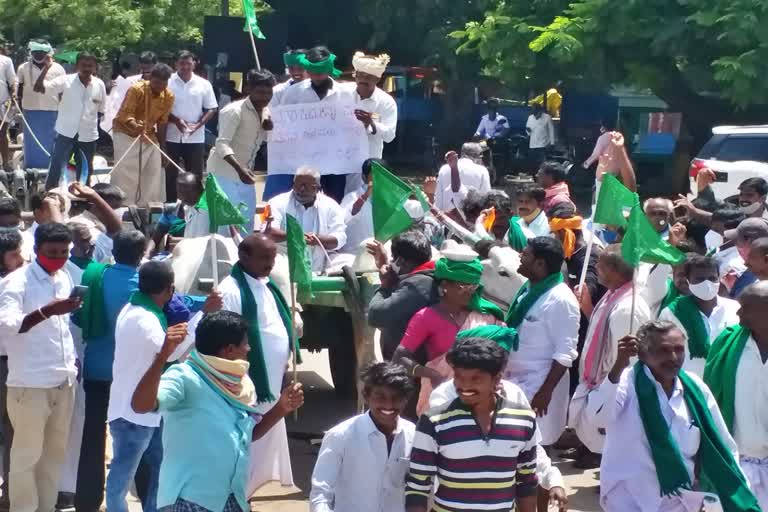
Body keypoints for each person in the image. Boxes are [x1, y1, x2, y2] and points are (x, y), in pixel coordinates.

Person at [129, 310, 303, 512]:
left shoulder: (242, 384)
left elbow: (248, 435)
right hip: (188, 501)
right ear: (229, 350)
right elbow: (140, 405)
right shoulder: (184, 377)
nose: (249, 348)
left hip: (232, 497)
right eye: (245, 343)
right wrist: (162, 359)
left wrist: (282, 408)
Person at [598, 321, 758, 511]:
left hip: (681, 500)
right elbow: (599, 418)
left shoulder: (695, 388)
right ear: (642, 354)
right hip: (628, 498)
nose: (673, 357)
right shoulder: (625, 383)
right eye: (663, 350)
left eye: (679, 349)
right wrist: (617, 367)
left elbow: (722, 445)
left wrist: (738, 487)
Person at [0, 222, 81, 512]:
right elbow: (6, 326)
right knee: (26, 458)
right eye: (52, 252)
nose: (58, 257)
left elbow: (62, 329)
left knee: (53, 456)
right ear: (36, 251)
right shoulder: (16, 282)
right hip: (30, 384)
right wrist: (47, 311)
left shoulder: (64, 277)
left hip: (63, 380)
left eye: (64, 252)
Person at [405, 337, 539, 512]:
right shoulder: (433, 421)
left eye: (476, 379)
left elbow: (527, 481)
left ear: (496, 380)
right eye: (459, 377)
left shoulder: (524, 419)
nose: (465, 386)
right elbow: (417, 486)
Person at [105, 261, 195, 512]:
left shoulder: (134, 308)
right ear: (169, 289)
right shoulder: (145, 319)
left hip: (146, 411)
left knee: (160, 469)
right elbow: (169, 353)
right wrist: (196, 324)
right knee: (120, 479)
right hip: (132, 415)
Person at [216, 233, 300, 494]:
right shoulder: (230, 290)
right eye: (264, 257)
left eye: (273, 257)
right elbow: (226, 341)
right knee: (246, 441)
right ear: (244, 257)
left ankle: (245, 493)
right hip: (248, 384)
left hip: (271, 383)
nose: (270, 263)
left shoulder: (266, 285)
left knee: (260, 442)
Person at [71, 230, 144, 512]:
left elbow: (78, 316)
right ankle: (145, 496)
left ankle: (87, 502)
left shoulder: (92, 276)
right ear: (140, 255)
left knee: (92, 438)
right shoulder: (144, 284)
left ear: (113, 250)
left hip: (96, 371)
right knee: (139, 438)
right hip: (133, 377)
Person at [392, 247, 506, 415]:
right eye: (462, 286)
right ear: (445, 284)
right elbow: (400, 357)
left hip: (482, 395)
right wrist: (432, 375)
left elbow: (502, 350)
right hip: (443, 396)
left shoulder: (487, 315)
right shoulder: (426, 317)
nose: (469, 291)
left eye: (473, 286)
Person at [569, 245, 650, 463]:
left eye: (600, 265)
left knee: (617, 445)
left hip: (612, 391)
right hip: (598, 387)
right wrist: (586, 306)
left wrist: (611, 394)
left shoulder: (627, 308)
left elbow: (627, 361)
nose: (596, 267)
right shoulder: (612, 298)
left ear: (614, 270)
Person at [504, 236, 579, 446]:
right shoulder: (528, 290)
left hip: (539, 388)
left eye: (526, 254)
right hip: (515, 382)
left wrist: (544, 393)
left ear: (540, 263)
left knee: (536, 448)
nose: (520, 256)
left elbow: (565, 354)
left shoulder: (560, 299)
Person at [310, 362, 415, 512]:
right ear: (366, 396)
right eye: (380, 396)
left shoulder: (414, 435)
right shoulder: (341, 436)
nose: (388, 404)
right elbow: (321, 493)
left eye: (396, 397)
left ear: (406, 399)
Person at [705, 282, 768, 509]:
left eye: (746, 308)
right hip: (736, 465)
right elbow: (709, 400)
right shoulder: (728, 343)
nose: (738, 312)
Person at [272, 46, 351, 202]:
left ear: (329, 69)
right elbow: (283, 123)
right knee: (302, 199)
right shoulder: (293, 93)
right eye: (313, 72)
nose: (317, 77)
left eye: (320, 72)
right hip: (303, 161)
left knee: (334, 199)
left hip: (335, 161)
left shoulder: (346, 94)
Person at [207, 68, 275, 232]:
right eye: (260, 92)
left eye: (268, 93)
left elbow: (261, 140)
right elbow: (222, 144)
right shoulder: (233, 111)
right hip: (224, 175)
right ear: (248, 90)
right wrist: (240, 169)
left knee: (246, 222)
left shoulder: (266, 111)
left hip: (245, 176)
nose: (264, 97)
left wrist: (269, 128)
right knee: (226, 225)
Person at [658, 255, 739, 377]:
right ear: (688, 281)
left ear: (719, 279)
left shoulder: (735, 308)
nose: (707, 283)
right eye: (699, 279)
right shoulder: (672, 313)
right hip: (690, 382)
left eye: (712, 278)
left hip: (728, 380)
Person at [34, 52, 106, 189]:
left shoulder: (100, 84)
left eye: (90, 66)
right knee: (56, 167)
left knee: (85, 171)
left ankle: (82, 199)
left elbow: (101, 110)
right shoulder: (65, 80)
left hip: (88, 135)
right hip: (65, 132)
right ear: (77, 66)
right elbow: (39, 88)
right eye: (83, 65)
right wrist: (46, 68)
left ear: (95, 67)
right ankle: (50, 195)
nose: (86, 68)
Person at [367, 230, 438, 360]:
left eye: (394, 259)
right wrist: (385, 264)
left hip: (411, 367)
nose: (392, 262)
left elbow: (375, 315)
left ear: (402, 262)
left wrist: (385, 285)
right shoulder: (427, 276)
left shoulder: (417, 285)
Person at [111, 63, 174, 206]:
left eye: (163, 84)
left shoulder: (169, 95)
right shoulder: (136, 89)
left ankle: (148, 206)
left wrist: (163, 148)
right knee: (126, 173)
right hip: (125, 133)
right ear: (150, 78)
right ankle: (124, 206)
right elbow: (124, 115)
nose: (160, 87)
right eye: (157, 83)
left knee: (153, 171)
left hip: (149, 136)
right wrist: (136, 126)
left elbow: (163, 122)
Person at [266, 166, 347, 273]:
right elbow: (269, 232)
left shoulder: (331, 206)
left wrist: (317, 240)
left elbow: (340, 238)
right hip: (285, 266)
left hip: (319, 266)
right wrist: (297, 236)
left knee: (348, 262)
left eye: (306, 186)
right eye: (298, 185)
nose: (301, 189)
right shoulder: (277, 202)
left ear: (317, 188)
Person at [165, 51, 218, 200]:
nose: (185, 67)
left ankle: (196, 207)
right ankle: (171, 207)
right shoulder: (168, 82)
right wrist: (176, 121)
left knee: (195, 175)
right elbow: (161, 107)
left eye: (188, 63)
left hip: (195, 137)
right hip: (171, 135)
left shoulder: (203, 84)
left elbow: (212, 108)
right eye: (182, 63)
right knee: (170, 174)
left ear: (194, 64)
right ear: (176, 64)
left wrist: (198, 125)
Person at [0, 229, 25, 510]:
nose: (21, 259)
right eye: (14, 254)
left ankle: (9, 493)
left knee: (13, 432)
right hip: (7, 365)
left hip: (10, 363)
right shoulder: (11, 286)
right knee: (12, 432)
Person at [17, 40, 65, 169]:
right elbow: (19, 88)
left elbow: (62, 91)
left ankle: (51, 169)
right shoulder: (23, 68)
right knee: (32, 142)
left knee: (50, 142)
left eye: (41, 52)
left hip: (52, 110)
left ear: (48, 53)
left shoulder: (58, 68)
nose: (38, 55)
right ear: (31, 52)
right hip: (30, 110)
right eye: (35, 52)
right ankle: (31, 169)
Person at [349, 52, 397, 164]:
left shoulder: (386, 102)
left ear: (377, 79)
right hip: (341, 161)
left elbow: (389, 136)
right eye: (360, 75)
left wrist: (371, 123)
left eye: (368, 77)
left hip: (368, 163)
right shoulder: (342, 93)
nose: (363, 80)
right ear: (355, 76)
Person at [148, 173, 209, 256]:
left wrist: (181, 242)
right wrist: (147, 253)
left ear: (199, 191)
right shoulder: (171, 210)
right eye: (180, 192)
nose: (182, 197)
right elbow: (155, 238)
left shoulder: (207, 213)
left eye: (187, 193)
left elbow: (204, 242)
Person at [102, 51, 158, 135]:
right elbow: (117, 101)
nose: (146, 67)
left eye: (149, 64)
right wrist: (109, 90)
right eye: (143, 63)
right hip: (131, 127)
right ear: (140, 65)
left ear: (155, 65)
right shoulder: (130, 81)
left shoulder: (162, 83)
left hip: (153, 128)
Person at [432, 144, 491, 213]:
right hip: (471, 219)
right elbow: (486, 198)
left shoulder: (444, 168)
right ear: (477, 156)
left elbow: (438, 199)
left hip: (446, 217)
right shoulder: (482, 170)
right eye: (481, 156)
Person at [339, 158, 377, 253]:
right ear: (364, 177)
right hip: (352, 257)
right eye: (375, 176)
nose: (379, 180)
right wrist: (365, 196)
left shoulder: (390, 199)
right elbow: (344, 220)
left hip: (380, 258)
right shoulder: (351, 197)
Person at [723, 218, 768, 298]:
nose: (736, 246)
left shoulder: (760, 286)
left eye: (737, 241)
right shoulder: (754, 269)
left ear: (751, 242)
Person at [0, 44, 17, 172]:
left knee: (2, 132)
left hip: (2, 102)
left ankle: (5, 163)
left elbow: (13, 81)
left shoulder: (6, 60)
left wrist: (14, 93)